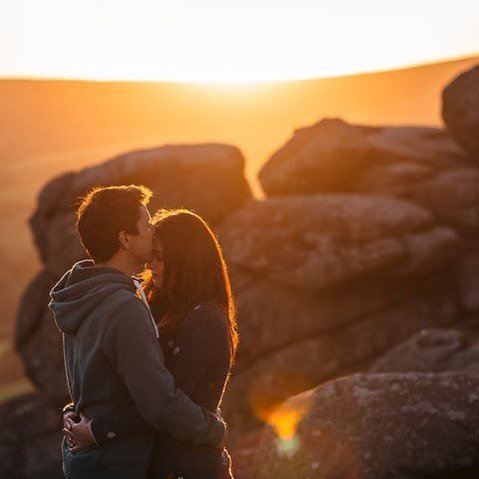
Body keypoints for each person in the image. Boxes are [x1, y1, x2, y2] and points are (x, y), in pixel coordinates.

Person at [50, 186, 226, 479]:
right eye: (145, 224)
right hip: (118, 463)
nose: (152, 228)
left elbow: (93, 377)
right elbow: (159, 403)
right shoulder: (123, 308)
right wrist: (214, 429)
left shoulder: (80, 293)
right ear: (125, 238)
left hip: (85, 460)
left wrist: (75, 413)